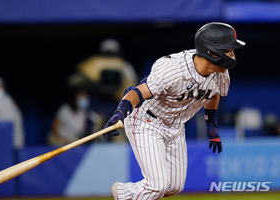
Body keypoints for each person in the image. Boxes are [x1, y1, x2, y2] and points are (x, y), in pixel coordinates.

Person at [103, 22, 245, 199]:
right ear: (212, 51)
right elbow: (137, 92)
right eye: (228, 50)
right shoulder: (173, 69)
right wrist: (120, 113)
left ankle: (122, 193)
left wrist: (211, 125)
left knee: (174, 186)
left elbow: (213, 94)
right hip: (147, 121)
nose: (232, 54)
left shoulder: (221, 74)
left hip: (176, 126)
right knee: (157, 186)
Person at [47, 73, 103, 146]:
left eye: (85, 95)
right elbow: (54, 129)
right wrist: (63, 141)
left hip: (74, 143)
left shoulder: (84, 112)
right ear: (75, 96)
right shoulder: (65, 109)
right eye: (81, 95)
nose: (84, 97)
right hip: (60, 143)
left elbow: (86, 130)